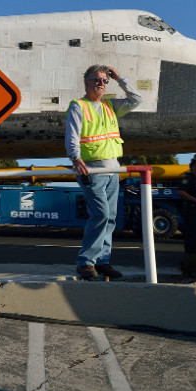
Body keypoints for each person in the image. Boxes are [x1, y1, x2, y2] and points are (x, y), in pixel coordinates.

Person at [65, 65, 142, 281]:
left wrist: (119, 78)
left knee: (111, 218)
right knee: (101, 214)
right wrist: (75, 157)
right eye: (97, 79)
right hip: (92, 169)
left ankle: (103, 261)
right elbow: (72, 135)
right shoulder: (79, 106)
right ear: (86, 82)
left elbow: (137, 99)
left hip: (112, 170)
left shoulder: (110, 106)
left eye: (104, 80)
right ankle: (85, 263)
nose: (101, 83)